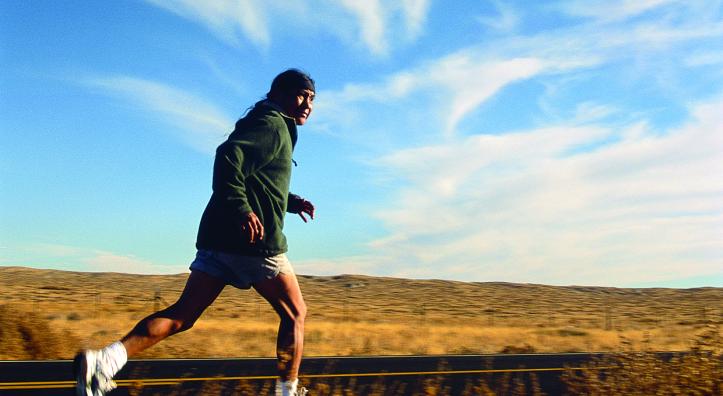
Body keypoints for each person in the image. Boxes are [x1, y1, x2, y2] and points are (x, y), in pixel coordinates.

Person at [74, 69, 317, 396]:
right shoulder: (272, 124)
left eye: (312, 99)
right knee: (295, 312)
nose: (308, 104)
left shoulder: (266, 122)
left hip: (218, 240)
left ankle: (105, 360)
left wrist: (290, 201)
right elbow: (228, 157)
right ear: (280, 94)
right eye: (302, 95)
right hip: (254, 244)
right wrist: (242, 209)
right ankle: (288, 390)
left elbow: (256, 180)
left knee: (182, 315)